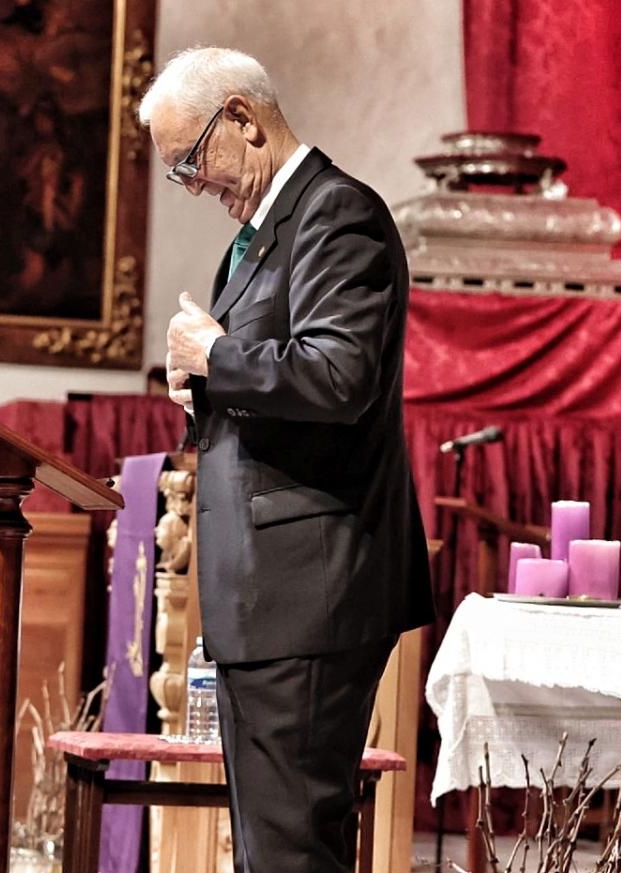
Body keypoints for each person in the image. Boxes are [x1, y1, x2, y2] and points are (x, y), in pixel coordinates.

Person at [140, 48, 434, 872]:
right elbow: (277, 385)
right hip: (267, 598)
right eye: (177, 173)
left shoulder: (337, 214)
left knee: (292, 851)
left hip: (311, 589)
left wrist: (218, 354)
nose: (193, 185)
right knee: (271, 850)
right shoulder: (262, 234)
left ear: (242, 117)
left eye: (191, 160)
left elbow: (339, 376)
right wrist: (203, 382)